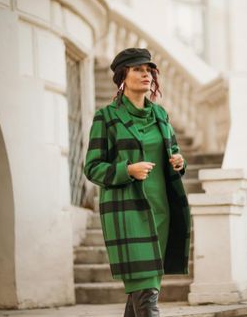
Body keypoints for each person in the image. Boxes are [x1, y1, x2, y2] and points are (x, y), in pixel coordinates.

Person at [83, 48, 191, 317]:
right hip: (127, 213)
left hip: (161, 211)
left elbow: (173, 152)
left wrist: (179, 162)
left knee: (143, 292)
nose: (145, 75)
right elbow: (92, 168)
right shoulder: (106, 117)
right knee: (146, 295)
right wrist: (127, 170)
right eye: (137, 70)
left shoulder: (160, 116)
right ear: (122, 76)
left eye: (148, 70)